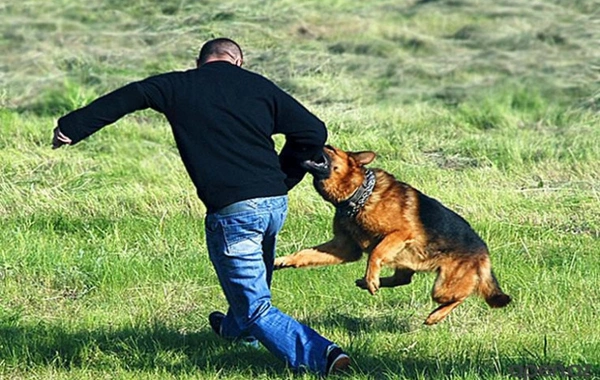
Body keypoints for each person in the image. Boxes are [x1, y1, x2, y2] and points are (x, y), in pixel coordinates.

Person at [51, 38, 350, 376]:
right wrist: (284, 175)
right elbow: (313, 130)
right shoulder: (257, 85)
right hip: (274, 204)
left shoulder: (176, 85)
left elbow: (129, 96)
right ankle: (235, 332)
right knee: (251, 277)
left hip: (234, 210)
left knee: (255, 306)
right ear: (238, 61)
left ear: (199, 61)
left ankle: (323, 356)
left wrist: (71, 127)